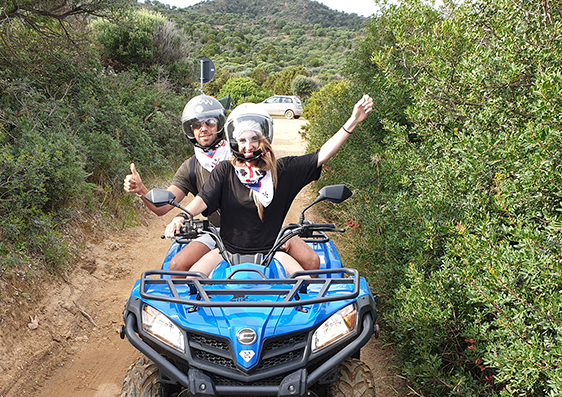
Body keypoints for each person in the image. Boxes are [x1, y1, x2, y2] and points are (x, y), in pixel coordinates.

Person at [164, 94, 374, 276]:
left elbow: (321, 156)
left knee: (305, 285)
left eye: (253, 138)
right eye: (242, 140)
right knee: (193, 280)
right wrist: (181, 216)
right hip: (227, 252)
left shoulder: (281, 170)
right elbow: (203, 198)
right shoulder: (225, 170)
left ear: (263, 139)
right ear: (234, 142)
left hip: (271, 249)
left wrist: (352, 122)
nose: (248, 146)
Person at [124, 95, 319, 272]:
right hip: (219, 232)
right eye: (196, 124)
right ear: (190, 130)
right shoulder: (191, 167)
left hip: (263, 228)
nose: (203, 128)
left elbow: (272, 169)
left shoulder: (242, 152)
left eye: (209, 122)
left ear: (220, 125)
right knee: (177, 265)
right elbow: (163, 207)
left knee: (311, 261)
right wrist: (142, 190)